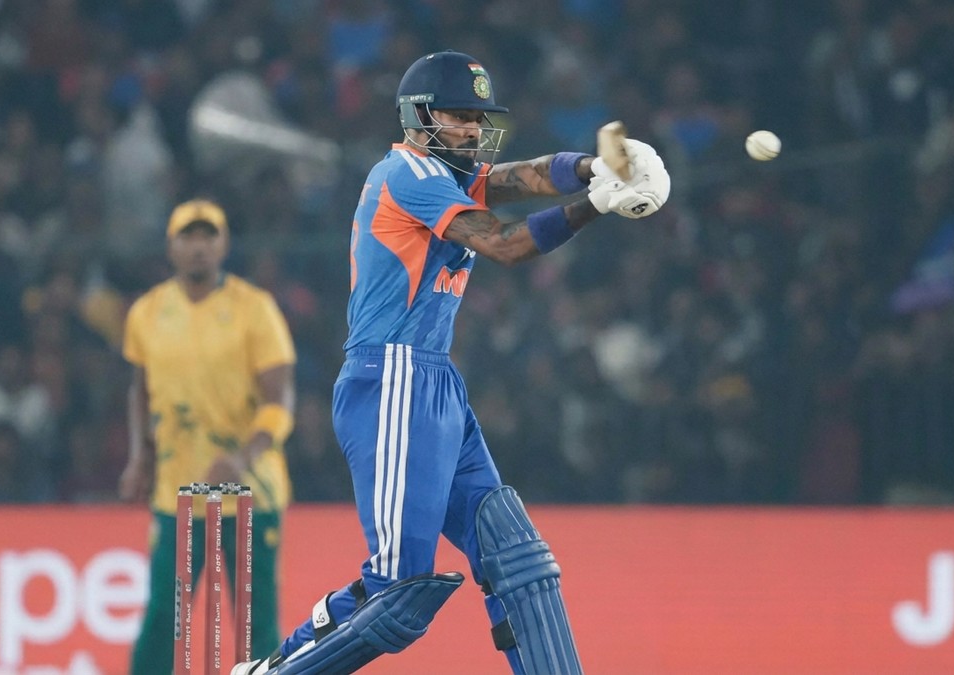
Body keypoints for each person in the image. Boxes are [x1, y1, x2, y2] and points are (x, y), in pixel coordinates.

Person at [233, 50, 670, 675]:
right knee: (398, 594)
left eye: (477, 118)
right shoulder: (407, 172)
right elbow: (504, 243)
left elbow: (525, 176)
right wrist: (597, 203)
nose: (472, 129)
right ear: (418, 116)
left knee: (516, 558)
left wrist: (595, 166)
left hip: (432, 379)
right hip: (389, 378)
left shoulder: (449, 173)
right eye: (459, 116)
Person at [119, 199, 297, 674]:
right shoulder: (147, 313)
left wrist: (241, 458)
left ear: (224, 245)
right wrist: (140, 456)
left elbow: (279, 402)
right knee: (164, 617)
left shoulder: (254, 309)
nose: (199, 247)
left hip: (250, 494)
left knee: (255, 623)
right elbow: (140, 390)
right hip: (177, 492)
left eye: (208, 236)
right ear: (170, 247)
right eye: (188, 237)